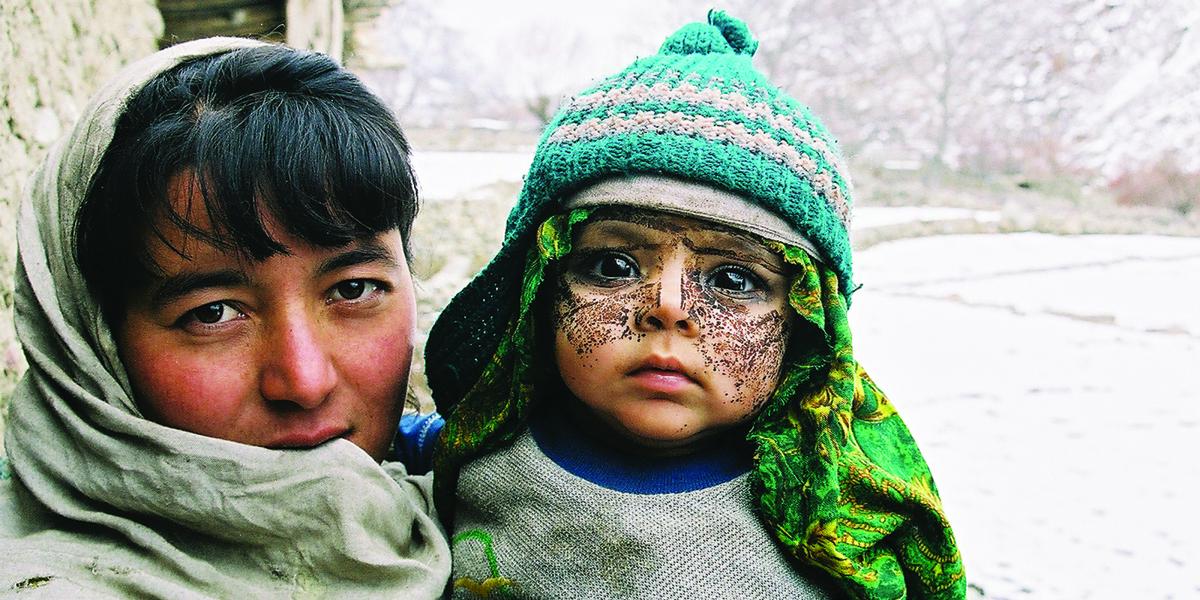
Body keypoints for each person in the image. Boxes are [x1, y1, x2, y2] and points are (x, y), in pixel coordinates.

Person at [423, 11, 965, 599]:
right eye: (613, 266)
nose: (670, 308)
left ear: (805, 325)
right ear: (539, 288)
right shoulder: (465, 450)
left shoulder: (846, 519)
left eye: (734, 279)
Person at [0, 38, 450, 597]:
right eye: (213, 313)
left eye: (353, 289)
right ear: (93, 344)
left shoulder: (498, 514)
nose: (305, 382)